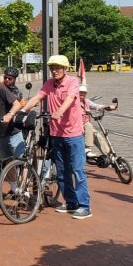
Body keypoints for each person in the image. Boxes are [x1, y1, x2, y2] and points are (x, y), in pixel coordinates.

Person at [20, 55, 91, 219]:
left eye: (58, 67)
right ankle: (71, 202)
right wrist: (22, 111)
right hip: (56, 134)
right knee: (62, 171)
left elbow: (70, 98)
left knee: (77, 170)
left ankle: (85, 206)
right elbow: (38, 97)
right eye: (52, 67)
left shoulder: (72, 82)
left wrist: (59, 111)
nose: (54, 70)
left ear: (65, 69)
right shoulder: (49, 83)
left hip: (73, 134)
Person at [79, 85, 117, 158]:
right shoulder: (73, 102)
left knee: (97, 135)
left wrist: (107, 107)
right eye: (80, 92)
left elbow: (96, 106)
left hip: (85, 126)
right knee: (89, 125)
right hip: (76, 125)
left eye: (84, 93)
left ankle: (109, 155)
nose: (82, 94)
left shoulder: (86, 101)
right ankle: (87, 149)